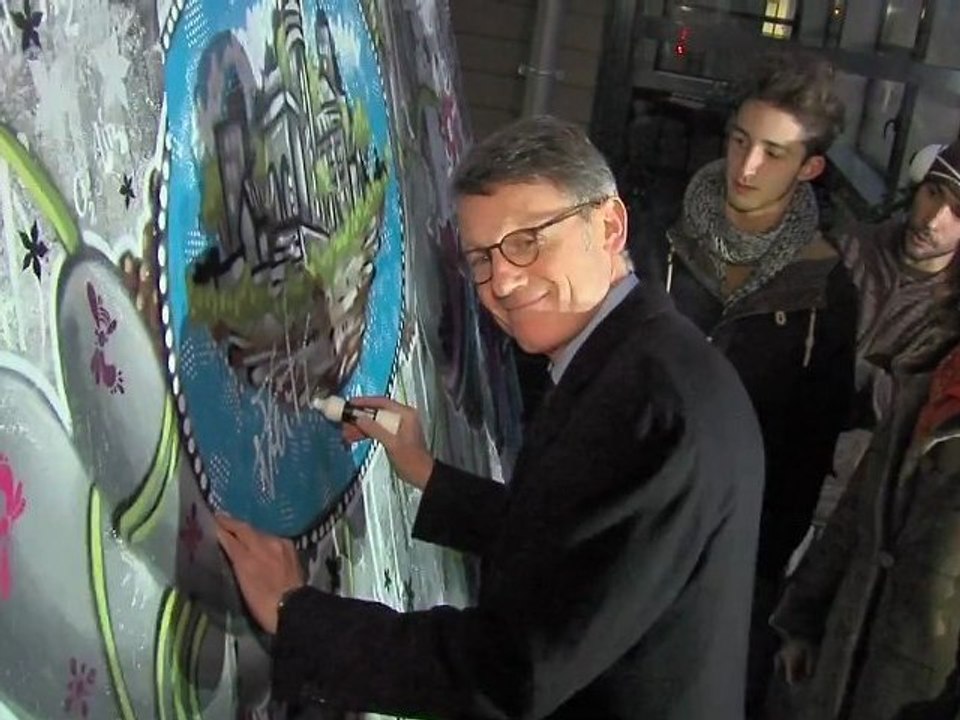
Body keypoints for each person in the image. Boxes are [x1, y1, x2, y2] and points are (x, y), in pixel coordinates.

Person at [216, 115, 764, 719]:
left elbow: (512, 671)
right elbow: (578, 542)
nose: (501, 279)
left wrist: (299, 616)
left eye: (528, 240)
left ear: (608, 226)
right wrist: (428, 474)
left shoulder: (650, 402)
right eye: (480, 258)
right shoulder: (637, 362)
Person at [642, 52, 857, 714]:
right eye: (740, 140)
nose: (747, 167)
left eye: (773, 152)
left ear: (809, 168)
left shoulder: (825, 287)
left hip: (733, 555)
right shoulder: (657, 235)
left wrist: (758, 573)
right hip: (631, 517)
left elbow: (807, 451)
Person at [770, 249, 960, 719]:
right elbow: (858, 506)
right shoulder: (932, 367)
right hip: (843, 661)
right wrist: (804, 620)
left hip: (924, 691)